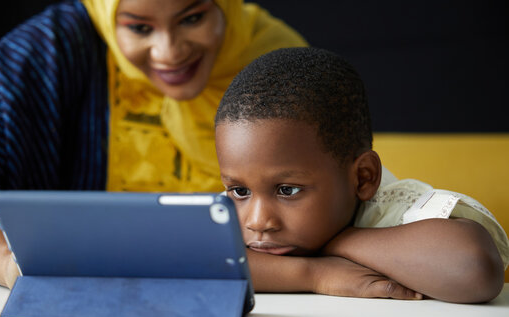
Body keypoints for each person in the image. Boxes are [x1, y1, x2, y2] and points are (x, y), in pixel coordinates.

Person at [0, 0, 307, 288]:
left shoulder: (279, 62)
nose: (170, 53)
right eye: (140, 28)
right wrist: (14, 268)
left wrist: (312, 273)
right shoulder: (46, 54)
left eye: (192, 18)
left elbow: (338, 189)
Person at [214, 47, 509, 303]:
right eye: (240, 191)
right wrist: (316, 274)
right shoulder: (242, 218)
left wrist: (338, 241)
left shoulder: (403, 210)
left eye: (287, 190)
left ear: (363, 178)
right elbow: (183, 260)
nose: (257, 221)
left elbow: (473, 269)